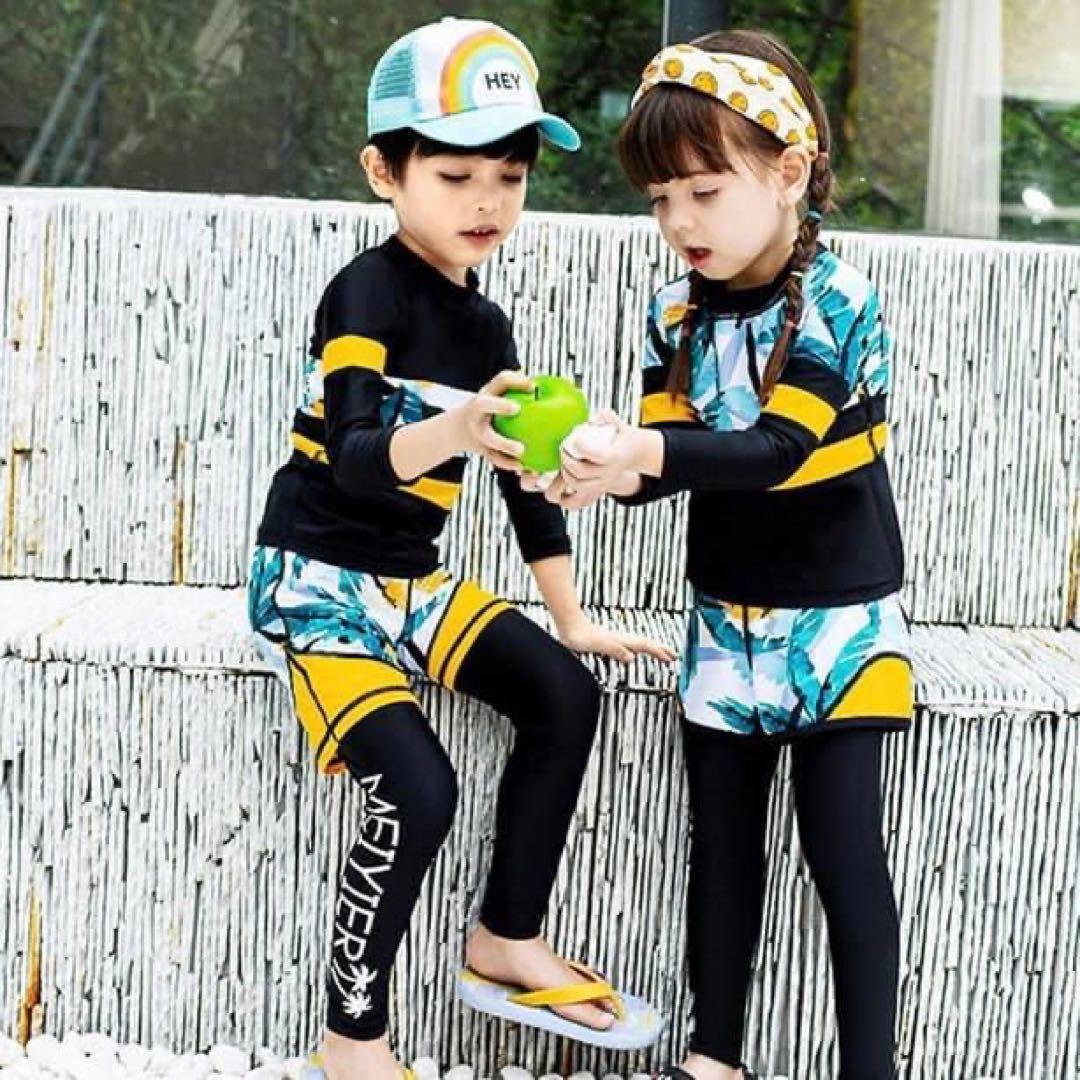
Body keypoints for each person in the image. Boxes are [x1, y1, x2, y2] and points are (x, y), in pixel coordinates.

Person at [247, 17, 670, 1080]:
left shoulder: (488, 331)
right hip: (316, 583)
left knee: (564, 695)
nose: (488, 201)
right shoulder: (364, 292)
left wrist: (571, 619)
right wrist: (459, 428)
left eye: (510, 177)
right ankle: (351, 1040)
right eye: (455, 175)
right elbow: (354, 459)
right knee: (419, 790)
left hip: (411, 582)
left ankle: (505, 938)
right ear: (383, 173)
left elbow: (527, 490)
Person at [545, 29, 913, 1080]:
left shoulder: (839, 300)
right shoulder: (675, 312)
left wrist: (642, 450)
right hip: (723, 616)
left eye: (704, 191)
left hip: (840, 621)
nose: (678, 222)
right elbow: (674, 463)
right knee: (720, 852)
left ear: (789, 173)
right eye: (661, 199)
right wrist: (598, 471)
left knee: (842, 855)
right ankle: (714, 1058)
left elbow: (779, 451)